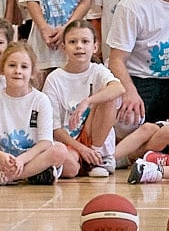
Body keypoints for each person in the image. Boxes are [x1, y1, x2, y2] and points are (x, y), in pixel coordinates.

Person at [0, 43, 75, 185]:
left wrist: (22, 160)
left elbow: (45, 142)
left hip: (32, 158)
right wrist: (0, 156)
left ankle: (5, 177)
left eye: (24, 67)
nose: (18, 71)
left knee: (60, 151)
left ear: (33, 72)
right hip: (3, 160)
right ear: (2, 69)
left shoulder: (41, 100)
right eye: (12, 65)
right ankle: (31, 174)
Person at [45, 20, 125, 178]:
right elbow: (54, 128)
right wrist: (81, 149)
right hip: (70, 142)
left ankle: (98, 156)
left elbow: (119, 88)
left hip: (93, 135)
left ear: (95, 47)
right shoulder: (54, 79)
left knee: (109, 96)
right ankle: (80, 163)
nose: (79, 46)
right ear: (63, 48)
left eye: (85, 41)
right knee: (70, 168)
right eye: (73, 42)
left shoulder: (98, 71)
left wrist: (88, 101)